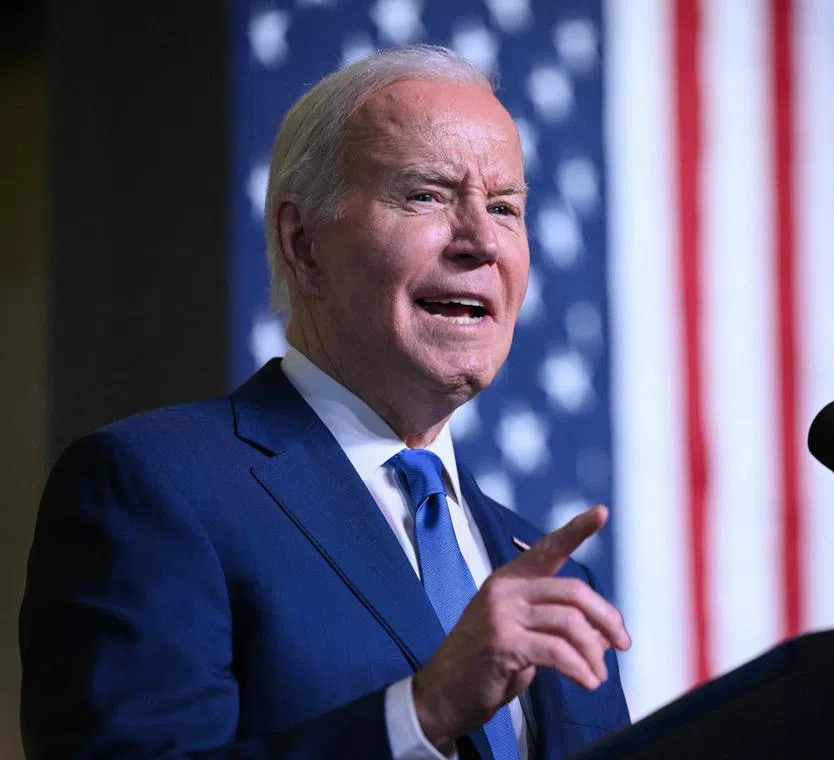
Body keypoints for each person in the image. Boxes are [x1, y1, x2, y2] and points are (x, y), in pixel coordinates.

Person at [20, 45, 631, 759]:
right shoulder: (153, 490)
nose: (481, 242)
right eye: (427, 194)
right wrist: (420, 714)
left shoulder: (551, 580)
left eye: (504, 207)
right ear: (302, 242)